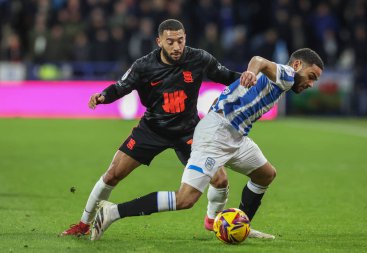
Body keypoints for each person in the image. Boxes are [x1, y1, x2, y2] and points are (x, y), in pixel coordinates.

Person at [89, 48, 324, 241]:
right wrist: (251, 72)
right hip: (215, 134)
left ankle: (240, 223)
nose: (312, 84)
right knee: (185, 200)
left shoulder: (283, 81)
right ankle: (113, 212)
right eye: (312, 76)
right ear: (296, 66)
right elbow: (259, 60)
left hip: (237, 137)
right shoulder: (287, 74)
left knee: (265, 175)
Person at [61, 19, 241, 236]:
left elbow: (229, 77)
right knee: (112, 175)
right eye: (170, 42)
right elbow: (121, 86)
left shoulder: (198, 58)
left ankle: (213, 223)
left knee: (220, 179)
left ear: (186, 39)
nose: (176, 47)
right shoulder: (144, 66)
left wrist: (254, 79)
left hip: (189, 131)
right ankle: (83, 224)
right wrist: (103, 96)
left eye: (180, 41)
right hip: (152, 130)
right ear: (159, 42)